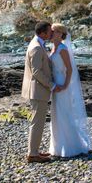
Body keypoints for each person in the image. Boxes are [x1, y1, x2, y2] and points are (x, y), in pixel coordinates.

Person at [21, 21, 62, 163]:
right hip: (37, 91)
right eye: (50, 31)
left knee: (38, 121)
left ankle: (35, 151)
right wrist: (51, 85)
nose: (52, 33)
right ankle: (32, 154)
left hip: (37, 90)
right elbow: (37, 71)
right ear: (43, 33)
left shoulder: (38, 44)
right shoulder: (36, 47)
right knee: (37, 122)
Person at [49, 23, 92, 157]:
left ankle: (71, 146)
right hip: (55, 83)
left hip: (62, 83)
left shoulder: (62, 49)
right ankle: (58, 146)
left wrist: (66, 85)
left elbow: (70, 69)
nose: (51, 33)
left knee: (64, 113)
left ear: (60, 34)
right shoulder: (52, 48)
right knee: (56, 114)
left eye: (54, 31)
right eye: (51, 31)